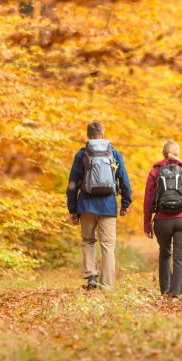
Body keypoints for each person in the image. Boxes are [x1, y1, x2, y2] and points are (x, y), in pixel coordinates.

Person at [66, 120, 132, 290]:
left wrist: (72, 209)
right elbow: (123, 179)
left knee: (88, 241)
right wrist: (126, 203)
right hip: (108, 206)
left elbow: (72, 183)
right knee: (107, 246)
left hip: (86, 206)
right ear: (103, 134)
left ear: (88, 135)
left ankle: (91, 277)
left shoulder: (82, 154)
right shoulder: (114, 153)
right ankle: (108, 285)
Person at [143, 140, 182, 298]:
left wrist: (147, 224)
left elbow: (148, 199)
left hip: (162, 221)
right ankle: (176, 293)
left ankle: (165, 290)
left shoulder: (155, 171)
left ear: (163, 153)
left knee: (165, 254)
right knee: (180, 256)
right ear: (178, 153)